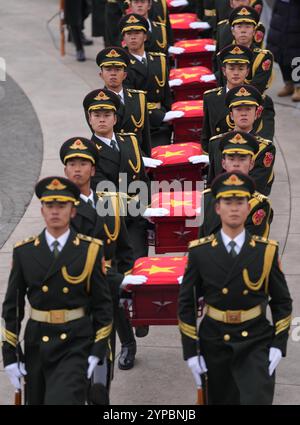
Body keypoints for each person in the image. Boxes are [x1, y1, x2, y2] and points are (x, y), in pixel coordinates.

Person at [178, 171, 293, 405]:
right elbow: (187, 304)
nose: (233, 208)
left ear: (248, 207)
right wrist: (190, 350)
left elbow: (282, 302)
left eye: (239, 202)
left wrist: (279, 345)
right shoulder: (200, 252)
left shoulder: (265, 251)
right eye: (227, 202)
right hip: (215, 341)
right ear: (217, 208)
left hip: (255, 340)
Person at [2, 177, 113, 404]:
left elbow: (103, 306)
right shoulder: (24, 252)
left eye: (61, 206)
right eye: (49, 205)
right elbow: (13, 308)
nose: (55, 211)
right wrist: (10, 355)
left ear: (73, 211)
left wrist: (98, 350)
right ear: (42, 211)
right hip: (37, 344)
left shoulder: (89, 250)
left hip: (75, 343)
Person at [60, 137, 147, 381]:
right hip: (79, 295)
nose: (78, 169)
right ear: (65, 170)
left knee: (101, 373)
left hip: (109, 285)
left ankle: (127, 345)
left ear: (93, 170)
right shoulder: (60, 211)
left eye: (83, 163)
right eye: (72, 164)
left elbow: (124, 248)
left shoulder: (108, 204)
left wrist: (130, 279)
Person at [85, 89, 152, 367]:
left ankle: (142, 314)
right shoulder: (87, 152)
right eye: (96, 115)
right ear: (89, 119)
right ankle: (127, 343)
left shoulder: (130, 140)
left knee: (137, 275)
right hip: (110, 224)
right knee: (115, 286)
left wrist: (147, 206)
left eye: (107, 114)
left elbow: (143, 178)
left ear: (115, 117)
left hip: (135, 223)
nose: (102, 119)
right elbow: (103, 189)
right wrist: (137, 203)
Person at [201, 44, 275, 153]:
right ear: (224, 71)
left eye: (241, 68)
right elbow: (206, 134)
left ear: (247, 71)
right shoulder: (210, 98)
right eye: (231, 68)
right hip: (219, 155)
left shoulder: (262, 101)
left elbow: (265, 136)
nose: (236, 73)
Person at [199, 131, 273, 238]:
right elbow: (201, 242)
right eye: (231, 159)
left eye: (242, 159)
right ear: (223, 163)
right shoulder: (206, 198)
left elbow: (250, 245)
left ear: (251, 164)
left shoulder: (258, 204)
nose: (236, 164)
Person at [207, 84, 276, 195]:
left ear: (256, 113)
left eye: (248, 109)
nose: (243, 113)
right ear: (231, 115)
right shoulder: (215, 143)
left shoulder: (265, 148)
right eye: (238, 109)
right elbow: (211, 183)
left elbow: (258, 186)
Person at [119, 13, 176, 147]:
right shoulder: (121, 66)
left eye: (137, 33)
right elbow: (130, 101)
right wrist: (159, 117)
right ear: (124, 38)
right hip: (138, 124)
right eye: (128, 34)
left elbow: (166, 93)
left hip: (161, 124)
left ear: (145, 36)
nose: (133, 37)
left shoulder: (158, 59)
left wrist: (168, 115)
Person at [88, 46, 151, 156]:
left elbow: (145, 136)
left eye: (117, 69)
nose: (113, 73)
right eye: (108, 69)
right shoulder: (94, 102)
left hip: (139, 156)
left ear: (125, 75)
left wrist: (146, 159)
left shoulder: (138, 97)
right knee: (123, 175)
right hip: (115, 158)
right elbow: (101, 136)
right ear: (101, 75)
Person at [267, 0, 300, 102]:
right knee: (280, 56)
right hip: (279, 21)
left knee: (295, 57)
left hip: (295, 21)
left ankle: (298, 87)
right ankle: (288, 84)